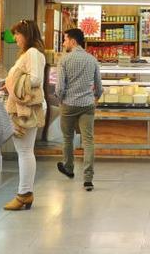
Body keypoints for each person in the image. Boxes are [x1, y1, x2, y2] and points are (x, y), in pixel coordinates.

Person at [2, 20, 47, 210]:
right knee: (24, 151)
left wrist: (14, 83)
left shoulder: (33, 53)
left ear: (27, 35)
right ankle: (24, 193)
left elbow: (36, 78)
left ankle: (24, 194)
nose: (16, 38)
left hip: (27, 109)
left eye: (18, 34)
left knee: (24, 151)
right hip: (24, 107)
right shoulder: (29, 54)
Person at [55, 28, 103, 191]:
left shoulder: (64, 60)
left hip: (68, 104)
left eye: (65, 39)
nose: (63, 43)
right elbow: (99, 86)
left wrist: (60, 100)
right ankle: (88, 179)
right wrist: (95, 98)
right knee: (88, 140)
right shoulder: (92, 59)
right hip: (87, 104)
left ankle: (69, 168)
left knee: (68, 138)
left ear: (73, 41)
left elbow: (60, 87)